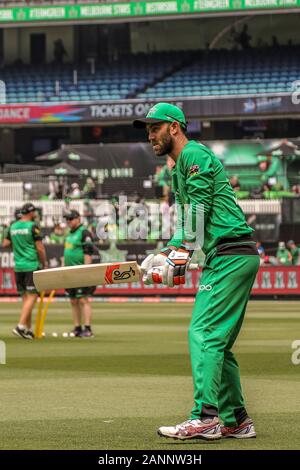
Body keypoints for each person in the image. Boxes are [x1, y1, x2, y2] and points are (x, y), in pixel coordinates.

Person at [133, 103, 260, 441]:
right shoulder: (177, 168)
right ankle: (237, 419)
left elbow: (198, 214)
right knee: (219, 343)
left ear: (174, 127)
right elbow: (186, 222)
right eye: (147, 129)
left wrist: (180, 254)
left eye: (155, 128)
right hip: (225, 255)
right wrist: (164, 254)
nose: (150, 135)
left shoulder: (195, 155)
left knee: (202, 333)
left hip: (231, 253)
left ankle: (206, 417)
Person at [2, 203, 47, 339]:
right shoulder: (33, 227)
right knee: (33, 296)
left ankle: (27, 329)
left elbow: (4, 244)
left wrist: (18, 242)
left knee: (26, 299)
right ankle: (20, 326)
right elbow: (40, 248)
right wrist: (43, 262)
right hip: (31, 265)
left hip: (18, 266)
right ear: (31, 212)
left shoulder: (13, 226)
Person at [63, 210, 96, 338]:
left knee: (83, 300)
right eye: (67, 219)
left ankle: (87, 328)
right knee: (73, 300)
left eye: (70, 219)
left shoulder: (84, 232)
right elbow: (66, 253)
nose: (68, 222)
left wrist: (86, 271)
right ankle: (77, 328)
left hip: (80, 272)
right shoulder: (69, 234)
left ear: (78, 218)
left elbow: (88, 252)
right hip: (69, 272)